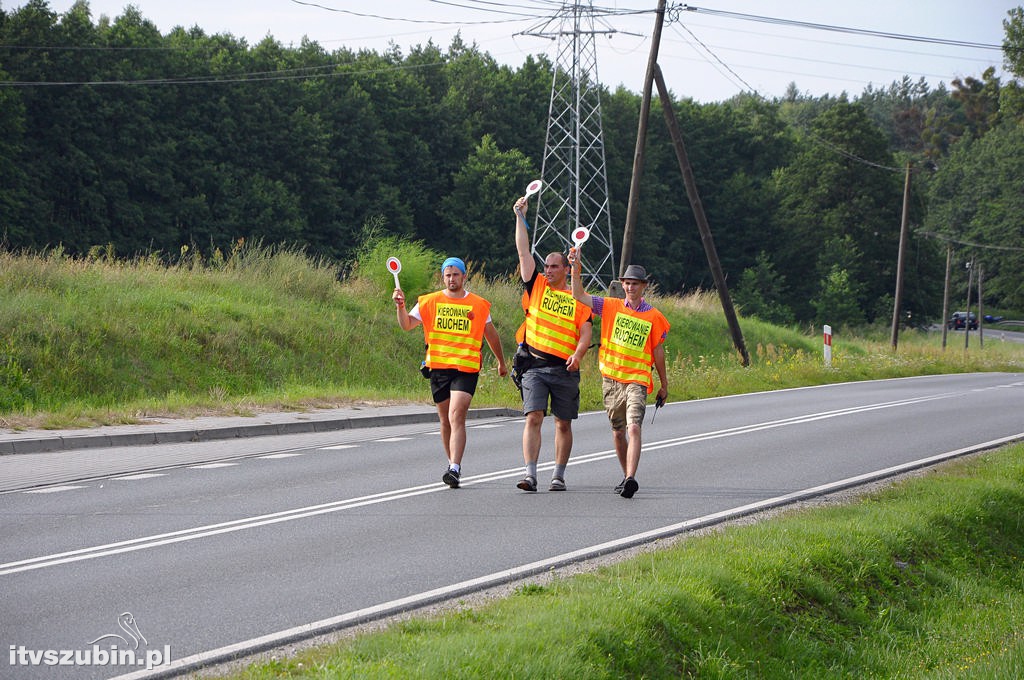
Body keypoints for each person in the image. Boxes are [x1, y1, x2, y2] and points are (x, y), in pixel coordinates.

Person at [393, 257, 508, 489]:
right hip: (439, 368)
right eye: (447, 275)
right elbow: (406, 325)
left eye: (456, 274)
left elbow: (491, 334)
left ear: (464, 277)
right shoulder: (429, 301)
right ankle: (451, 464)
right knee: (445, 420)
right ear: (442, 277)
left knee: (457, 415)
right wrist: (400, 306)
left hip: (465, 368)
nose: (451, 279)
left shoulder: (478, 304)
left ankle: (455, 467)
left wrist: (501, 361)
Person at [569, 251, 669, 499]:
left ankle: (632, 478)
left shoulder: (654, 317)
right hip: (612, 379)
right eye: (627, 283)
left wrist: (664, 385)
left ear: (643, 286)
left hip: (637, 379)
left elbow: (658, 352)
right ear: (622, 285)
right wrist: (576, 266)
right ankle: (626, 476)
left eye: (636, 283)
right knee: (618, 431)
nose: (631, 287)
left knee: (634, 427)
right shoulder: (610, 306)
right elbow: (578, 295)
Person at [512, 196, 593, 492]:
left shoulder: (578, 298)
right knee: (533, 416)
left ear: (565, 268)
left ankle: (558, 474)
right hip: (534, 364)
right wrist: (519, 217)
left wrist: (579, 353)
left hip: (564, 369)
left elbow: (585, 333)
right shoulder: (537, 287)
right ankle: (530, 474)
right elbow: (523, 252)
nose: (548, 269)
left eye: (554, 266)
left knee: (563, 423)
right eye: (546, 265)